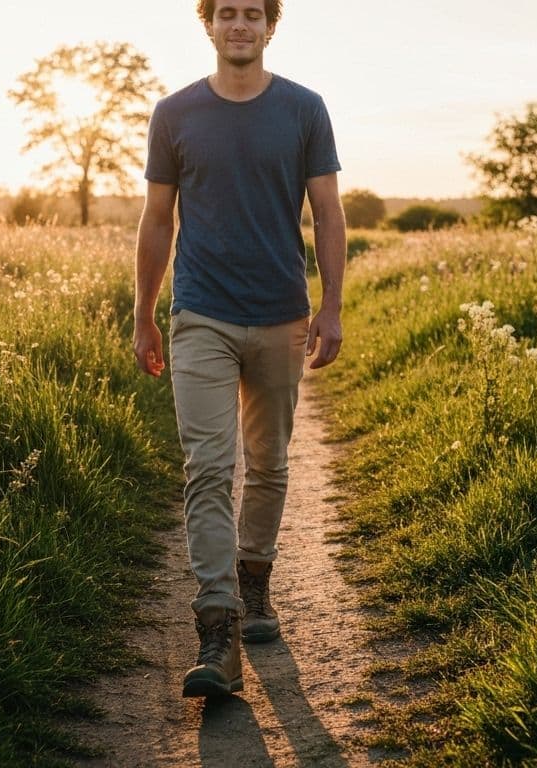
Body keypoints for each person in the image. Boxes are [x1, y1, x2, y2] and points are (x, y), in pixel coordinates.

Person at [132, 0, 345, 699]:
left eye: (253, 13)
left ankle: (255, 580)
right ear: (209, 24)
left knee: (270, 463)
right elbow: (157, 219)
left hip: (281, 313)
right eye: (227, 12)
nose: (240, 25)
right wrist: (144, 314)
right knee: (208, 466)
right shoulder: (174, 114)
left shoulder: (305, 109)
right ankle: (216, 627)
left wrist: (332, 306)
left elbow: (328, 212)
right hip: (201, 314)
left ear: (270, 26)